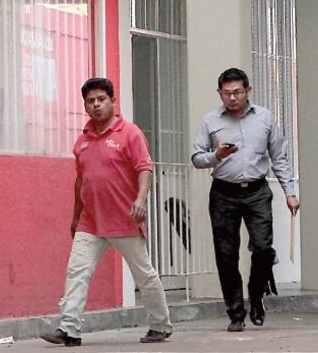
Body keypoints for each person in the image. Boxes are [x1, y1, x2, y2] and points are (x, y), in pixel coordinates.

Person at [42, 77, 173, 347]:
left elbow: (144, 169)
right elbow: (81, 181)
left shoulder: (130, 133)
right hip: (90, 221)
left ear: (113, 101)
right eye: (91, 101)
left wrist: (140, 199)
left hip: (125, 219)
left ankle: (160, 324)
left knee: (144, 275)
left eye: (101, 99)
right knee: (77, 271)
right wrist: (76, 216)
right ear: (85, 107)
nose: (96, 105)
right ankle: (69, 329)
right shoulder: (82, 142)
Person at [191, 67, 300, 332]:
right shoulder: (210, 120)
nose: (232, 98)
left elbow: (279, 156)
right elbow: (196, 158)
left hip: (257, 191)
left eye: (237, 92)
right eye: (226, 93)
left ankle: (256, 293)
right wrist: (216, 155)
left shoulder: (264, 118)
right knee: (226, 254)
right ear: (219, 93)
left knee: (263, 248)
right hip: (223, 192)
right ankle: (236, 313)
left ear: (247, 91)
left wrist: (290, 192)